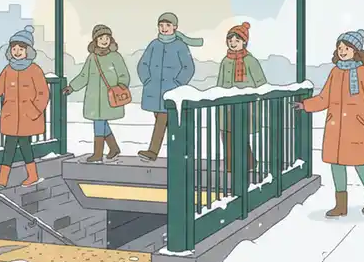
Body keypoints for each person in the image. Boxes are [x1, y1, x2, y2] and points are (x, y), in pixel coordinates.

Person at [292, 29, 364, 218]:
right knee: (336, 164)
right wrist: (305, 105)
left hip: (359, 128)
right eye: (340, 48)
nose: (342, 51)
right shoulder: (335, 72)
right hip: (336, 128)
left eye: (346, 48)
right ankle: (340, 205)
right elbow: (324, 98)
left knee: (361, 164)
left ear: (355, 51)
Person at [0, 26, 50, 187]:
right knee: (9, 147)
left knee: (25, 146)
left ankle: (31, 175)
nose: (17, 51)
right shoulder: (8, 70)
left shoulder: (35, 70)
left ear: (28, 51)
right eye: (14, 48)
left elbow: (43, 93)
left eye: (21, 48)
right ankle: (4, 177)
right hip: (11, 117)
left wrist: (34, 110)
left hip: (27, 117)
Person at [136, 12, 204, 162]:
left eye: (167, 25)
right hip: (153, 91)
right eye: (161, 25)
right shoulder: (154, 44)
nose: (164, 28)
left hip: (171, 92)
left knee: (162, 119)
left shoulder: (180, 45)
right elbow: (143, 63)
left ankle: (152, 152)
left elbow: (188, 68)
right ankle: (181, 152)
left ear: (175, 27)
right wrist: (146, 79)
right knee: (167, 122)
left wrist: (177, 83)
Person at [63, 24, 131, 162]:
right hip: (94, 98)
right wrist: (71, 87)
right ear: (95, 40)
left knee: (99, 123)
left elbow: (124, 74)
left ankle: (98, 153)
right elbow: (84, 76)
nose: (104, 40)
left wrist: (121, 84)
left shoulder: (115, 56)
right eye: (101, 37)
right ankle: (113, 148)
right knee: (101, 123)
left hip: (109, 97)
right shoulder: (92, 58)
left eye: (107, 37)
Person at [216, 22, 268, 172]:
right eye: (230, 41)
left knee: (240, 135)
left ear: (244, 42)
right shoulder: (226, 61)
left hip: (246, 106)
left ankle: (243, 164)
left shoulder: (250, 61)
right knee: (226, 134)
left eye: (236, 41)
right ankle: (235, 165)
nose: (233, 44)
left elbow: (261, 83)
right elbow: (220, 83)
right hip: (226, 106)